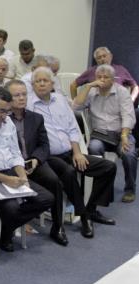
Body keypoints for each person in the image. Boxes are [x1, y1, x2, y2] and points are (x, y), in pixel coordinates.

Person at [28, 67, 116, 234]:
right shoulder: (29, 105)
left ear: (52, 83)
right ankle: (84, 216)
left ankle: (90, 209)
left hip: (70, 152)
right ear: (32, 85)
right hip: (49, 156)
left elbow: (72, 128)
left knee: (108, 167)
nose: (41, 84)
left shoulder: (60, 100)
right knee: (69, 172)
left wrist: (77, 152)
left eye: (45, 80)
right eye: (37, 81)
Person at [0, 87, 54, 252]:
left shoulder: (7, 122)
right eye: (1, 111)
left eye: (7, 111)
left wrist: (23, 178)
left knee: (46, 198)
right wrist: (6, 179)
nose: (4, 116)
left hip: (9, 172)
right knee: (12, 208)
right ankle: (5, 234)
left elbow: (15, 154)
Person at [6, 79, 68, 245]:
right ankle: (11, 224)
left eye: (24, 94)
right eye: (16, 95)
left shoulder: (36, 118)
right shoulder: (3, 119)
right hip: (12, 165)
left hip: (33, 161)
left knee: (54, 181)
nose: (21, 98)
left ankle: (58, 226)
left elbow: (44, 145)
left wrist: (36, 159)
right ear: (7, 98)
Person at [73, 64, 137, 202]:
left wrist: (124, 135)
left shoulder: (122, 92)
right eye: (99, 77)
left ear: (113, 79)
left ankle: (130, 189)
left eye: (106, 77)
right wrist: (88, 86)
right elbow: (75, 107)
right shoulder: (91, 91)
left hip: (121, 134)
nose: (101, 80)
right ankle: (102, 187)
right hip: (100, 135)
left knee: (129, 154)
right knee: (94, 147)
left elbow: (128, 116)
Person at [70, 46, 139, 101]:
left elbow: (135, 87)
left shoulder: (121, 69)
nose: (102, 59)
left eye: (104, 56)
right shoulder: (91, 71)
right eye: (99, 58)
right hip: (96, 106)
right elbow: (73, 85)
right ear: (96, 60)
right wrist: (75, 102)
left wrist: (131, 99)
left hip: (118, 105)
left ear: (110, 56)